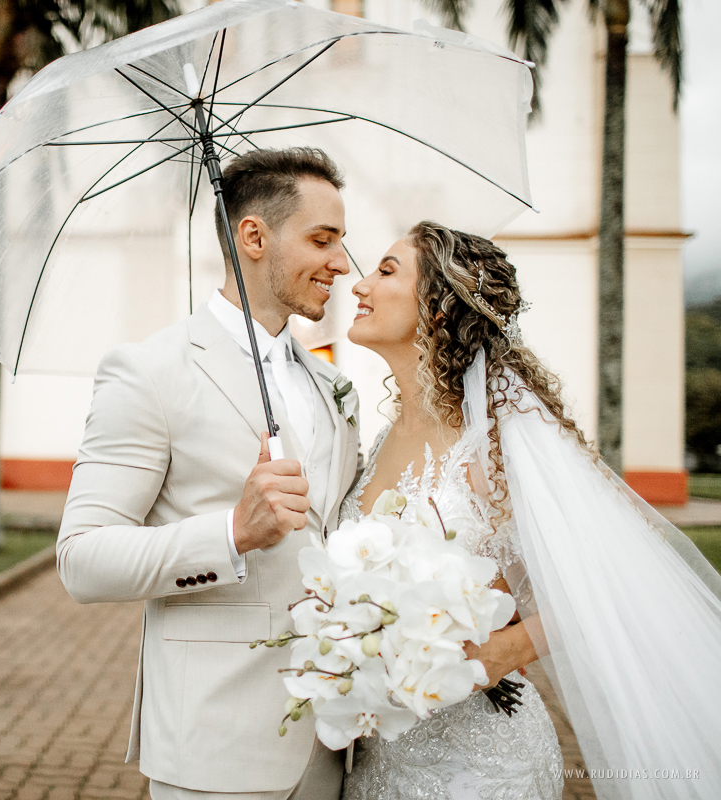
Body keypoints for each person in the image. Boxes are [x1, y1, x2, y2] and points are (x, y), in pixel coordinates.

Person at [339, 220, 721, 800]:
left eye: (386, 271)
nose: (359, 284)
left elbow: (615, 573)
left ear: (439, 308)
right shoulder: (385, 434)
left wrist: (505, 651)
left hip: (479, 763)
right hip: (379, 753)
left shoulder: (497, 437)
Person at [56, 147, 361, 800]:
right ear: (253, 237)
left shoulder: (334, 385)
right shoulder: (149, 372)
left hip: (333, 743)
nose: (342, 262)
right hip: (215, 746)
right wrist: (232, 533)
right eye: (323, 239)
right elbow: (81, 559)